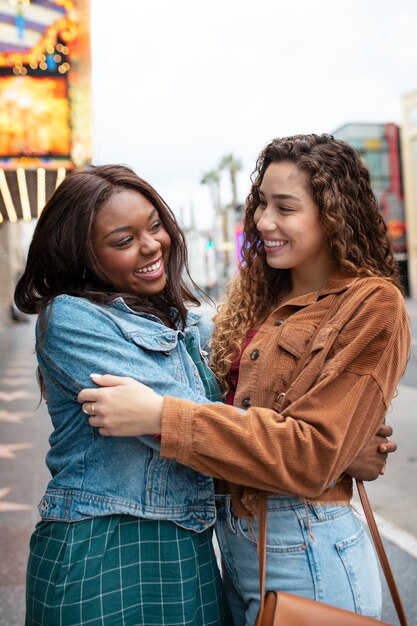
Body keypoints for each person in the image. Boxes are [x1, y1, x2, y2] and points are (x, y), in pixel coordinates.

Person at [78, 134, 411, 626]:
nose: (263, 220)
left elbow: (311, 453)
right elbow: (224, 404)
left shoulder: (371, 304)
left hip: (308, 549)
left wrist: (161, 417)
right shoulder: (258, 297)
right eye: (260, 204)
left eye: (285, 207)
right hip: (234, 545)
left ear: (332, 212)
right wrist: (343, 453)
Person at [14, 164, 232, 626]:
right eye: (123, 240)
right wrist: (300, 445)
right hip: (100, 548)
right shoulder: (72, 318)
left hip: (184, 546)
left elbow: (244, 406)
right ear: (83, 255)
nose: (151, 245)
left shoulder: (188, 323)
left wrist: (330, 441)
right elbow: (194, 422)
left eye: (154, 226)